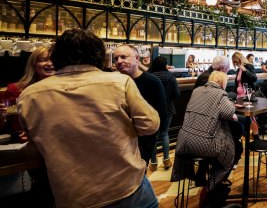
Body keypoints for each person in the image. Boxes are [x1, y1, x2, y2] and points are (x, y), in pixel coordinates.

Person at [18, 29, 160, 207]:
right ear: (99, 55)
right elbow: (150, 125)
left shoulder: (29, 95)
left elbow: (34, 143)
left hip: (73, 194)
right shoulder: (119, 82)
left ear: (57, 56)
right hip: (126, 187)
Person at [172, 71, 240, 208]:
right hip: (203, 143)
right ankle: (210, 189)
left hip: (183, 141)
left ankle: (203, 179)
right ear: (222, 83)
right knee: (230, 156)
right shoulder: (220, 94)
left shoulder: (196, 90)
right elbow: (229, 112)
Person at [114, 44, 167, 164]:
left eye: (124, 57)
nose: (119, 61)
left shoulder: (152, 82)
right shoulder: (114, 81)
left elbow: (161, 115)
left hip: (142, 144)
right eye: (116, 58)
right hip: (118, 143)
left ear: (137, 58)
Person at [148, 56, 180, 171]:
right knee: (164, 133)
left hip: (153, 110)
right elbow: (176, 94)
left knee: (154, 136)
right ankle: (166, 160)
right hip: (167, 109)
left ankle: (153, 163)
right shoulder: (170, 77)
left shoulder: (150, 76)